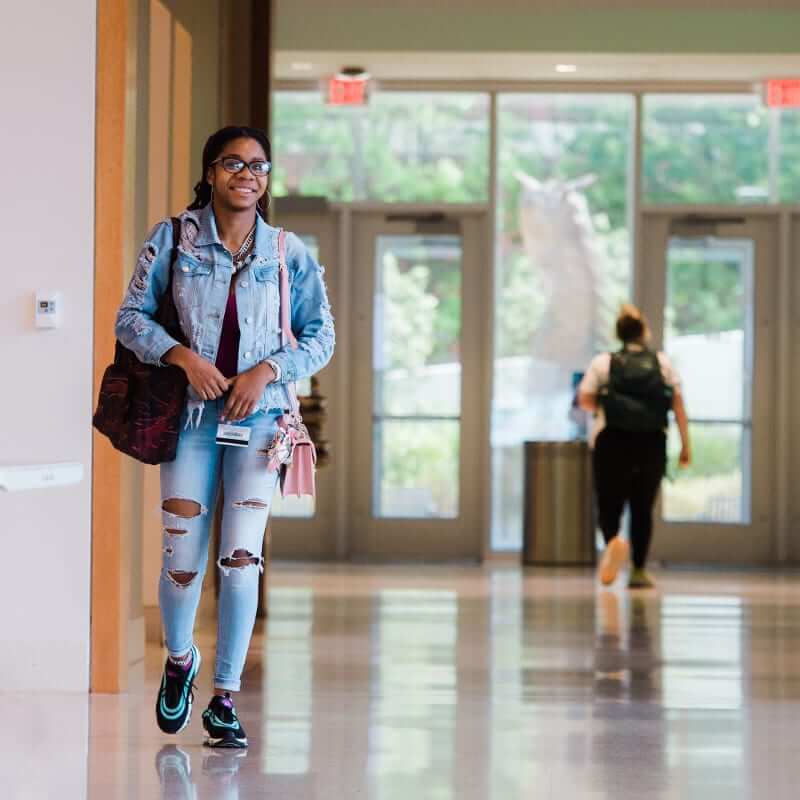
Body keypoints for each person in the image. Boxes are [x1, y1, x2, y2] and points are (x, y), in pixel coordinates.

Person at [115, 126, 335, 747]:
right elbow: (129, 319)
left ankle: (226, 697)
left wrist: (268, 369)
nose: (248, 174)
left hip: (261, 423)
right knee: (181, 558)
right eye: (233, 163)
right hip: (189, 420)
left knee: (242, 562)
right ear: (210, 173)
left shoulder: (288, 252)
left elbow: (321, 337)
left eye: (259, 166)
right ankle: (181, 659)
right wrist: (182, 356)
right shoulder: (173, 239)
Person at [578, 304, 690, 590]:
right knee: (642, 506)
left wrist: (606, 405)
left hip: (611, 440)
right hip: (651, 441)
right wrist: (685, 445)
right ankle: (639, 570)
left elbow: (585, 399)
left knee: (609, 501)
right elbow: (677, 405)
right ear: (643, 332)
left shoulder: (604, 362)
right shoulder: (661, 362)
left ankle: (614, 540)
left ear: (618, 333)